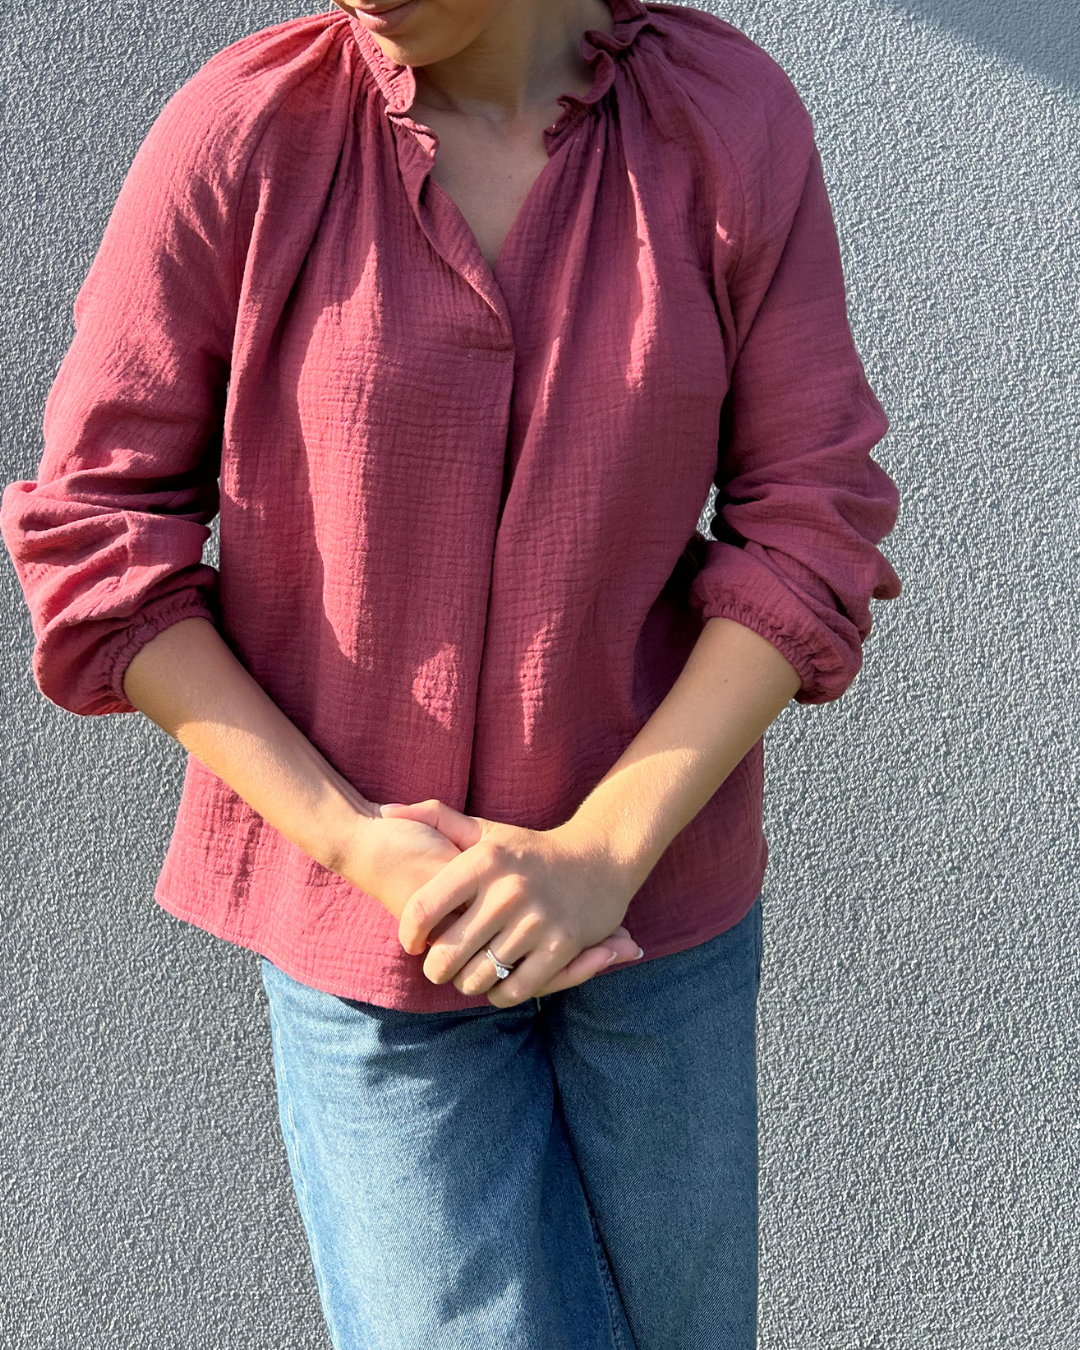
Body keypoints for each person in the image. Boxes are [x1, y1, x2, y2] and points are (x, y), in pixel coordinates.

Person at [0, 0, 903, 1344]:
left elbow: (810, 516)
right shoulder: (245, 136)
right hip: (373, 943)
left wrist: (604, 848)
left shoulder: (726, 121)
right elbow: (97, 541)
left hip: (660, 924)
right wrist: (358, 840)